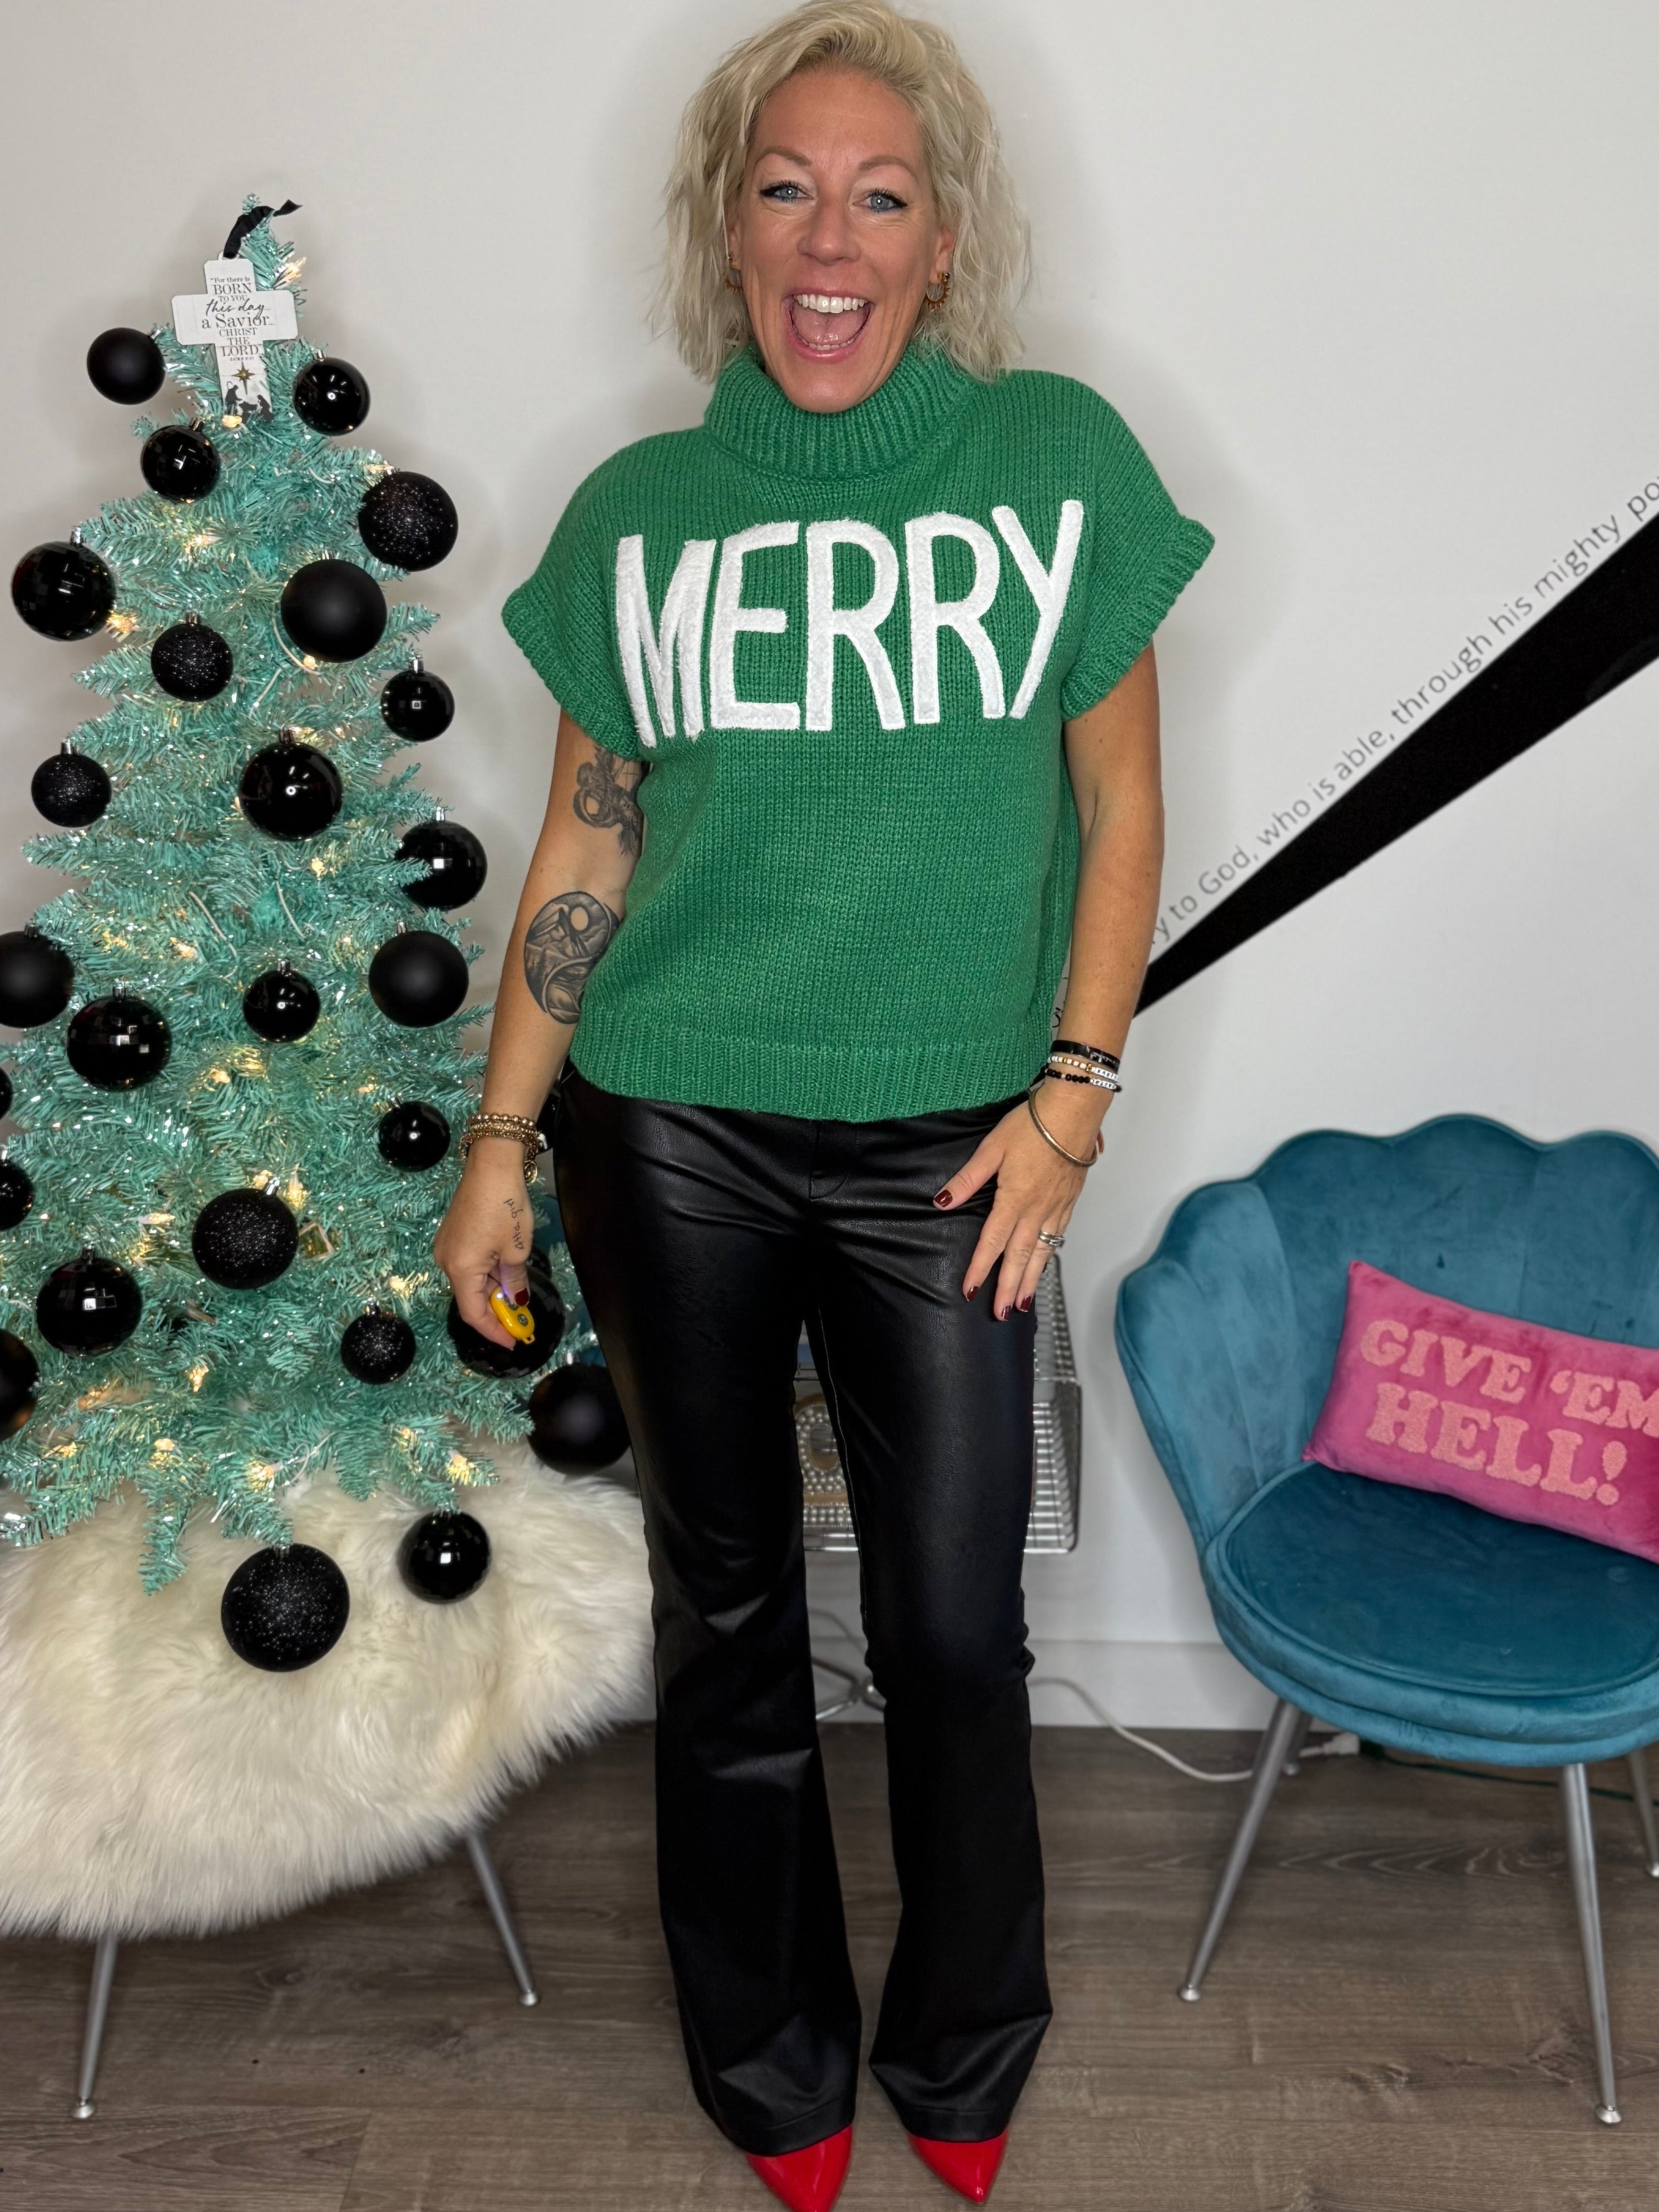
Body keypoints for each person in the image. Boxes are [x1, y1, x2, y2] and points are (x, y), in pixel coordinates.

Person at [434, 4, 1212, 2204]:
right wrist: (504, 1141)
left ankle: (963, 2042)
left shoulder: (1051, 465)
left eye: (876, 193)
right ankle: (768, 2065)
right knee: (732, 1604)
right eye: (784, 187)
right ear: (727, 226)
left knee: (956, 1619)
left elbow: (1122, 797)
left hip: (950, 1136)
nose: (827, 237)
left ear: (940, 243)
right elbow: (585, 847)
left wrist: (1072, 1091)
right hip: (665, 1120)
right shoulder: (640, 514)